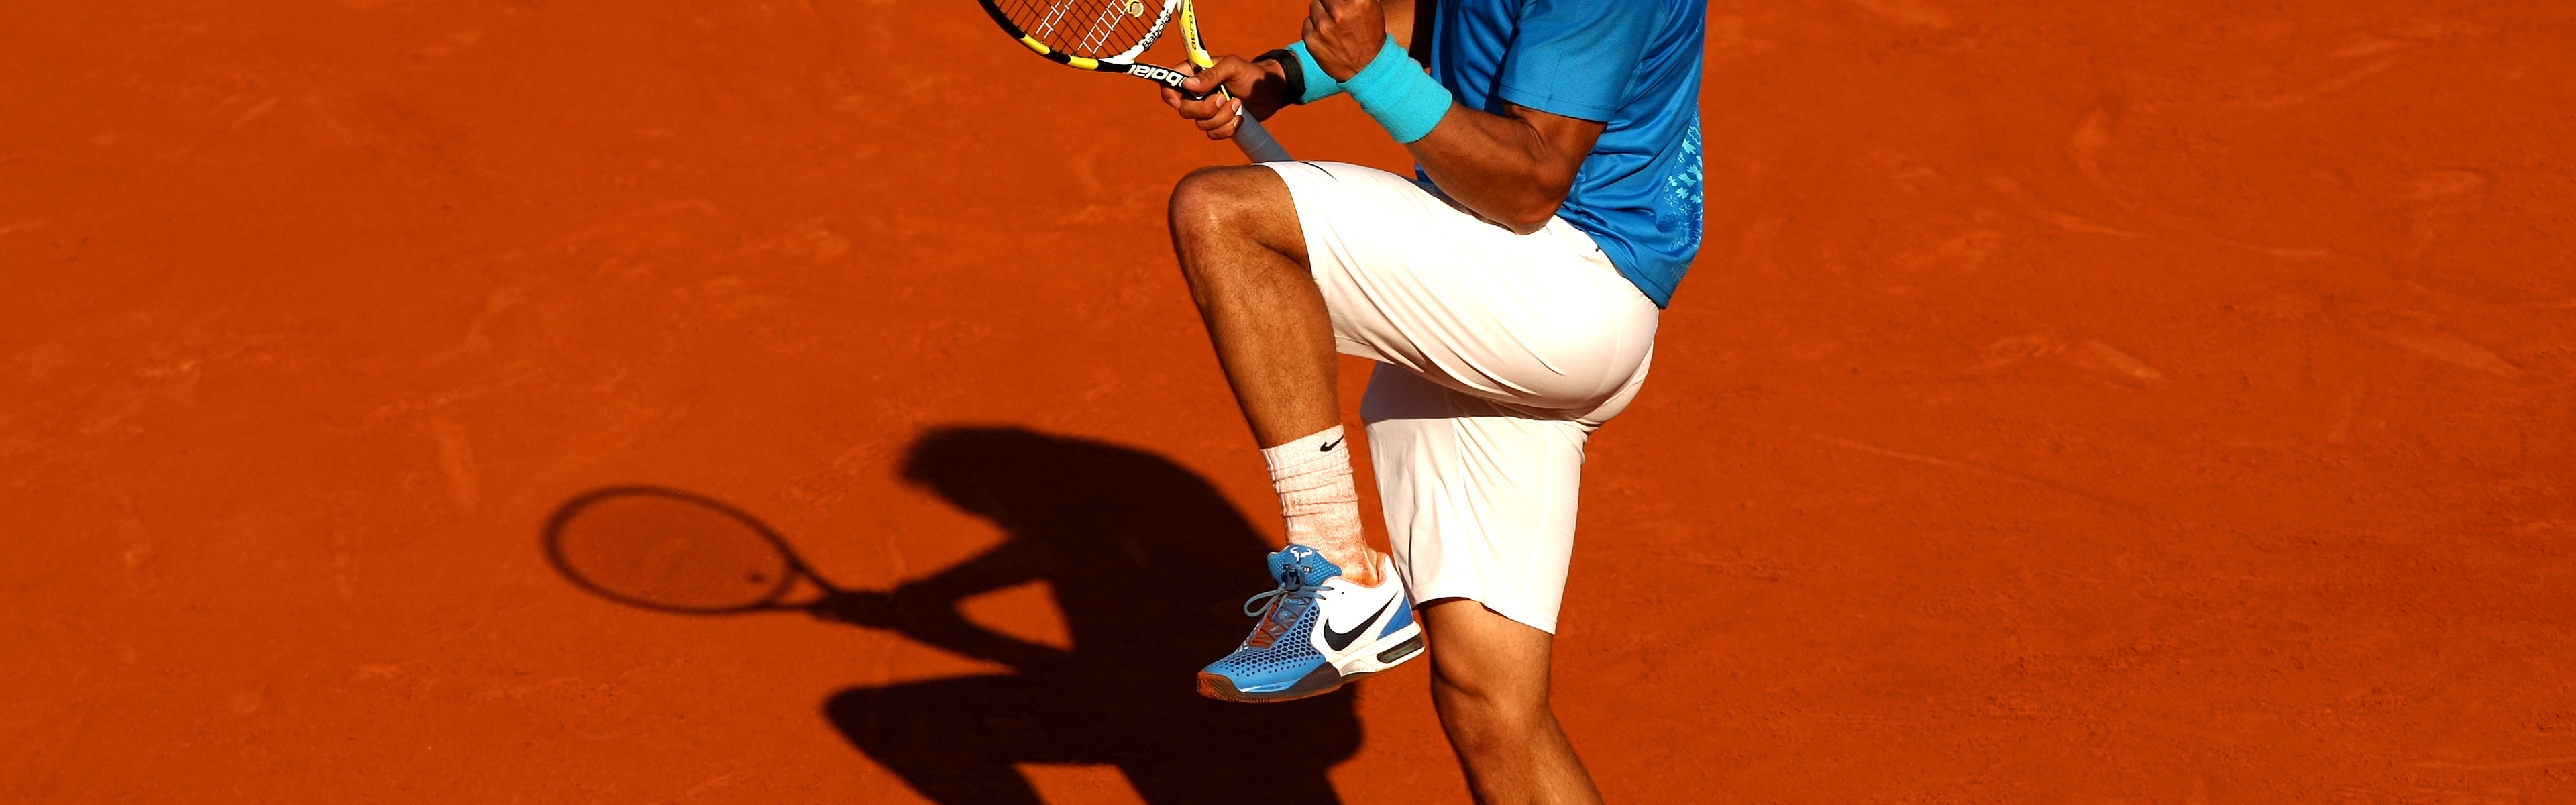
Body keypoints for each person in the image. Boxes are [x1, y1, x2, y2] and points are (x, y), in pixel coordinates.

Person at [1162, 0, 1703, 800]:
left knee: (1226, 217)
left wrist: (1373, 71)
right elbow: (1453, 14)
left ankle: (1341, 575)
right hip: (1497, 288)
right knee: (1492, 710)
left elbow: (1531, 184)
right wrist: (1287, 73)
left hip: (1563, 290)